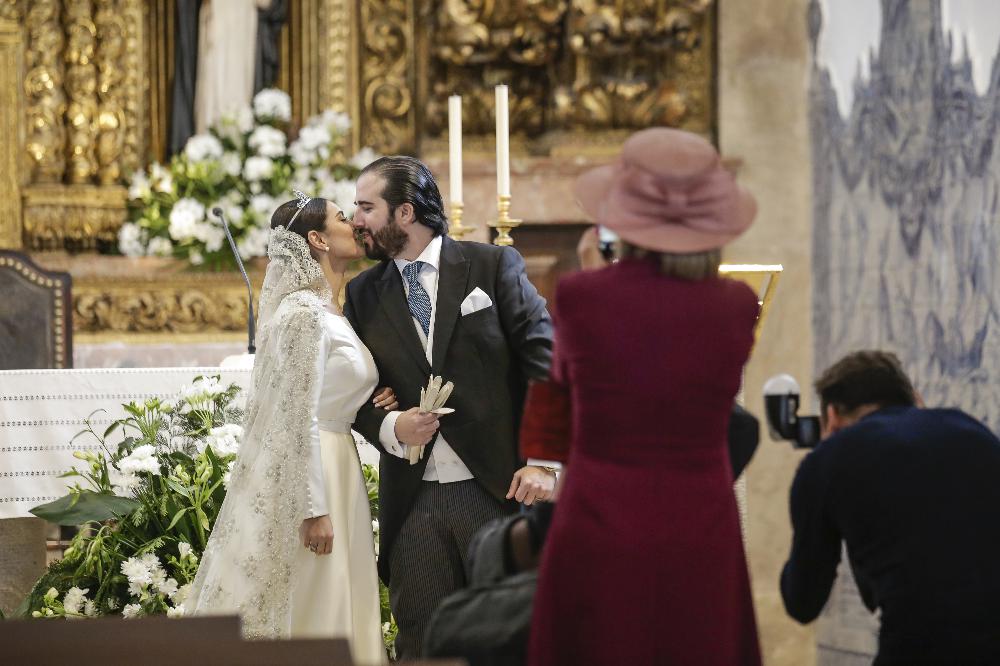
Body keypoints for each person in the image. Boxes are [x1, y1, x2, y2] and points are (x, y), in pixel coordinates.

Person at [526, 128, 763, 666]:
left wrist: (594, 268)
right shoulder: (736, 306)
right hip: (702, 515)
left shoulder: (583, 296)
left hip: (600, 513)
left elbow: (555, 396)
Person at [344, 156, 555, 658]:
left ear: (405, 213)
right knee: (422, 639)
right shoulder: (362, 294)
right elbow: (348, 393)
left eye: (366, 206)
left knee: (510, 639)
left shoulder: (491, 265)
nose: (356, 220)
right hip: (413, 498)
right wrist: (391, 423)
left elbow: (546, 361)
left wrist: (545, 462)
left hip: (497, 487)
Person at [185, 193, 391, 664]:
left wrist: (382, 397)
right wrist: (313, 507)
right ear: (317, 239)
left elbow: (335, 391)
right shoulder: (302, 316)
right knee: (318, 593)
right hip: (316, 471)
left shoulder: (330, 311)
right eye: (342, 218)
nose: (354, 223)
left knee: (342, 588)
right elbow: (296, 417)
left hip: (338, 462)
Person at [781, 350, 1000, 664]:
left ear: (831, 416)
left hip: (921, 645)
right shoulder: (969, 429)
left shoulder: (828, 461)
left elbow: (802, 603)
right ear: (914, 399)